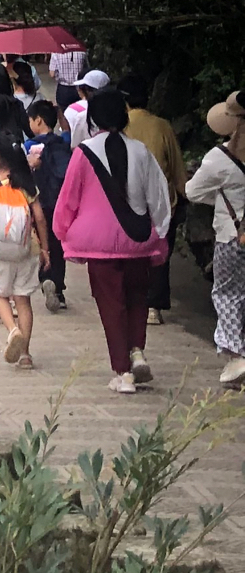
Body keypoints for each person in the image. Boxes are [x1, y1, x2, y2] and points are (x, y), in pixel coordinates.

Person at [53, 86, 173, 394]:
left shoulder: (83, 153)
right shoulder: (140, 151)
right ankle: (137, 351)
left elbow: (68, 199)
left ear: (94, 117)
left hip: (98, 244)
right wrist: (159, 234)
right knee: (136, 300)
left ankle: (123, 372)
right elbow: (157, 197)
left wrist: (62, 232)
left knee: (111, 306)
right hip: (138, 240)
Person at [186, 92, 245, 391]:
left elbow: (193, 192)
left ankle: (236, 356)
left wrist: (220, 198)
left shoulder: (219, 159)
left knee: (228, 294)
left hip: (233, 237)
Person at [0, 131, 45, 369]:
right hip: (27, 249)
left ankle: (12, 330)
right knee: (23, 300)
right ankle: (25, 354)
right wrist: (45, 248)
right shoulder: (26, 182)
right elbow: (39, 216)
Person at [124, 72, 187, 319]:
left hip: (129, 200)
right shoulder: (162, 126)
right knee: (160, 254)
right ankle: (154, 306)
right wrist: (184, 192)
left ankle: (133, 300)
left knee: (132, 254)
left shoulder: (120, 125)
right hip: (161, 200)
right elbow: (176, 165)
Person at [25, 99, 71, 309]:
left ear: (39, 121)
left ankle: (45, 280)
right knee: (59, 245)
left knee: (43, 245)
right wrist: (60, 113)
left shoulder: (30, 146)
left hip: (39, 204)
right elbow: (67, 130)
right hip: (60, 204)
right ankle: (59, 290)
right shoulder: (62, 143)